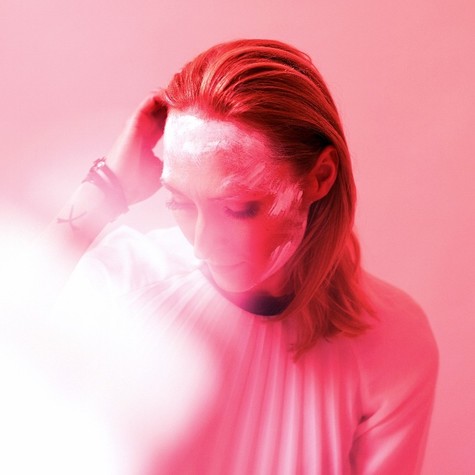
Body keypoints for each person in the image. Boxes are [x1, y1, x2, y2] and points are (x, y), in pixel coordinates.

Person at [30, 39, 438, 473]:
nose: (203, 245)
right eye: (179, 202)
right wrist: (106, 186)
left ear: (320, 176)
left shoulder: (392, 339)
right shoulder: (126, 284)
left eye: (238, 208)